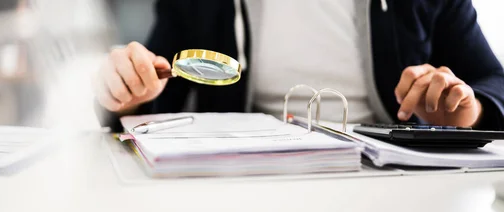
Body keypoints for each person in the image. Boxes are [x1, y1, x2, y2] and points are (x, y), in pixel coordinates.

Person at [94, 0, 504, 132]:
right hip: (241, 180)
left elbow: (494, 83)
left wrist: (468, 108)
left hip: (395, 178)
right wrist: (128, 94)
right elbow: (150, 97)